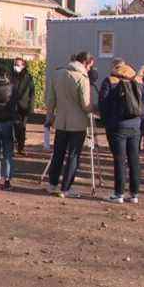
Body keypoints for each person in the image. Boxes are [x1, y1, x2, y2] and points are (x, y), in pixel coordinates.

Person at [45, 51, 94, 198]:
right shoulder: (82, 78)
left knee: (58, 154)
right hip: (77, 123)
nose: (90, 69)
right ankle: (66, 188)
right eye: (90, 66)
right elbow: (85, 104)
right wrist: (93, 107)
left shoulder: (58, 74)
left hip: (61, 121)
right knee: (73, 155)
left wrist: (50, 116)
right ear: (85, 63)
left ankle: (52, 184)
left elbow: (51, 99)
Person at [99, 60, 143, 204]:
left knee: (119, 160)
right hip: (135, 125)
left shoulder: (110, 81)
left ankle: (118, 193)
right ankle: (134, 193)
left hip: (117, 126)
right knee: (134, 159)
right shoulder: (137, 81)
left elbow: (103, 104)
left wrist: (107, 122)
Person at [11, 58, 35, 156]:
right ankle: (11, 148)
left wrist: (31, 107)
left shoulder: (28, 77)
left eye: (18, 65)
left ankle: (21, 148)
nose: (16, 67)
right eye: (15, 64)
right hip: (12, 106)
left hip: (24, 106)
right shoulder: (11, 76)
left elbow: (32, 93)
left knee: (22, 128)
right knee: (12, 128)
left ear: (23, 66)